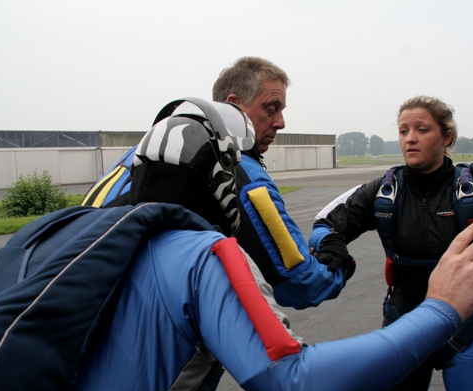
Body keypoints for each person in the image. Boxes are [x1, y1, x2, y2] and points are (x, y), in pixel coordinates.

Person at [58, 97, 473, 391]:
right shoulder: (205, 260)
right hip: (438, 320)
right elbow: (298, 383)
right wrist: (440, 308)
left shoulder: (65, 231)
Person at [311, 95, 473, 391]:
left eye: (422, 129)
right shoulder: (385, 191)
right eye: (403, 130)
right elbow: (325, 224)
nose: (410, 138)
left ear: (446, 137)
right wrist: (330, 245)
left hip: (467, 331)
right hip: (403, 327)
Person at [83, 56, 352, 309]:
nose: (280, 122)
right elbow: (302, 283)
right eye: (271, 109)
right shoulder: (235, 169)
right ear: (234, 105)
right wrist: (336, 258)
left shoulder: (140, 153)